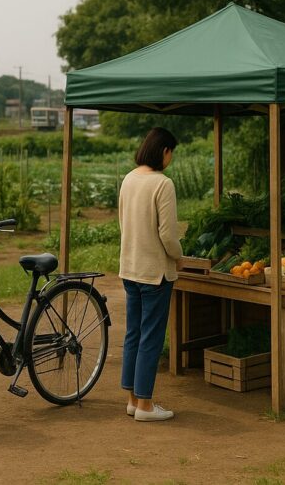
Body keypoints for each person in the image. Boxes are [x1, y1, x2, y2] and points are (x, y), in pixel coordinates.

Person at [118, 127, 181, 422]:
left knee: (134, 333)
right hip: (154, 273)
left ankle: (133, 399)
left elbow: (123, 223)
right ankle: (145, 405)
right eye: (171, 153)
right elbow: (168, 235)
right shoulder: (162, 183)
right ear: (164, 151)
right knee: (151, 337)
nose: (170, 160)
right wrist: (180, 255)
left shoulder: (129, 179)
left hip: (130, 268)